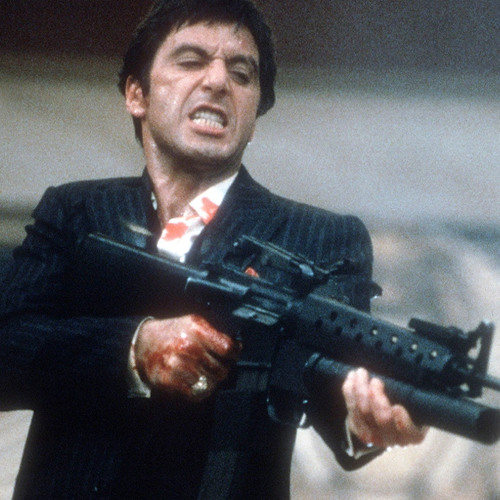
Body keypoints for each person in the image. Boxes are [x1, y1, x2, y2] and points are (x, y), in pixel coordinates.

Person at [0, 1, 427, 498]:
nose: (219, 81)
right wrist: (136, 348)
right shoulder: (75, 211)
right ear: (137, 94)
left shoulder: (324, 238)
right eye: (191, 60)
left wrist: (368, 420)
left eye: (242, 74)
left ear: (255, 113)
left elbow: (335, 387)